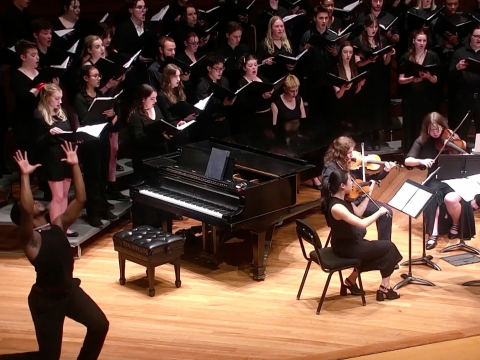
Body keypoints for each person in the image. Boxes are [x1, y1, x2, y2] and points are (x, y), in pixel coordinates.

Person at [10, 144, 109, 359]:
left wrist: (75, 166)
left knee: (100, 325)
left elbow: (80, 199)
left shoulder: (57, 225)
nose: (36, 201)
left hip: (69, 292)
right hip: (46, 301)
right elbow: (26, 209)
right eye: (32, 202)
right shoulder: (30, 239)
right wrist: (25, 176)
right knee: (49, 357)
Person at [320, 168, 402, 301]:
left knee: (377, 252)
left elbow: (358, 212)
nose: (353, 183)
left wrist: (369, 194)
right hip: (347, 248)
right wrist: (379, 212)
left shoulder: (343, 199)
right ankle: (385, 287)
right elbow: (361, 223)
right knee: (389, 248)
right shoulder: (337, 207)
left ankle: (351, 281)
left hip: (348, 243)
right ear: (342, 186)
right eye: (350, 181)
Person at [404, 112, 477, 249]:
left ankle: (455, 224)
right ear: (426, 128)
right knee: (431, 198)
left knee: (451, 199)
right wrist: (421, 160)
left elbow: (463, 156)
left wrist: (453, 148)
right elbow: (408, 160)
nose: (436, 132)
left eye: (438, 129)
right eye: (432, 129)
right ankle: (433, 234)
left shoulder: (450, 138)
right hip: (434, 178)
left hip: (454, 178)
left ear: (443, 127)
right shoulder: (422, 140)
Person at [321, 136, 396, 241]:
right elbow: (326, 185)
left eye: (352, 151)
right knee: (360, 230)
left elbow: (369, 180)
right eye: (349, 153)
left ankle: (384, 245)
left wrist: (385, 171)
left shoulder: (353, 165)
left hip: (356, 198)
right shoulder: (331, 167)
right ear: (340, 153)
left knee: (387, 213)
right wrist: (343, 182)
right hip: (342, 203)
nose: (352, 156)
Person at [72, 65, 119, 226]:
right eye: (95, 76)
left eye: (99, 75)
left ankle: (103, 207)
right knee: (93, 177)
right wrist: (101, 114)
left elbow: (110, 121)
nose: (99, 78)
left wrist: (112, 115)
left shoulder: (101, 95)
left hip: (102, 138)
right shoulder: (79, 97)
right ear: (86, 78)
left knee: (103, 174)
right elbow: (85, 118)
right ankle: (93, 212)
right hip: (89, 142)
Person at [33, 83, 78, 238]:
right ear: (47, 98)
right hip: (52, 157)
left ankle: (63, 226)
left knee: (65, 194)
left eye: (61, 98)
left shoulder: (63, 112)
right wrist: (49, 133)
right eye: (56, 98)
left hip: (65, 154)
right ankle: (56, 229)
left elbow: (68, 132)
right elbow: (36, 142)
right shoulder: (39, 115)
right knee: (57, 196)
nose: (60, 102)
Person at [353, 14, 395, 150]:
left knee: (378, 108)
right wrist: (368, 60)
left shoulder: (382, 40)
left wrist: (389, 54)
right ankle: (366, 138)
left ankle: (376, 139)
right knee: (366, 109)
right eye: (371, 27)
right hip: (365, 78)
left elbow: (386, 62)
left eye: (376, 27)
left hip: (379, 78)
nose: (374, 30)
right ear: (365, 27)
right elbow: (357, 64)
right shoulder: (358, 41)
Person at [398, 29, 440, 152]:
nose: (422, 43)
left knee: (426, 125)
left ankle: (426, 153)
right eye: (419, 40)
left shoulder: (432, 56)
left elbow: (436, 80)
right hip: (410, 98)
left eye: (424, 41)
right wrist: (412, 79)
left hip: (427, 99)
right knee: (410, 126)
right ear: (414, 41)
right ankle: (409, 154)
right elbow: (400, 80)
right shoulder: (406, 57)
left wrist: (428, 76)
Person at [128, 84, 169, 178]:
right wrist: (160, 137)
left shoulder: (156, 108)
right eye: (152, 98)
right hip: (145, 159)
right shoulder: (136, 116)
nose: (155, 101)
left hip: (161, 154)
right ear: (143, 99)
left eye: (156, 98)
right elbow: (139, 139)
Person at [448, 24, 480, 141]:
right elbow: (450, 76)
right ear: (470, 36)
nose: (479, 39)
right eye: (476, 36)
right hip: (463, 99)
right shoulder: (459, 53)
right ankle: (460, 157)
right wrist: (457, 68)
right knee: (461, 133)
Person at [233, 54, 274, 134]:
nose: (254, 67)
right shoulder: (241, 83)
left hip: (267, 116)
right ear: (244, 68)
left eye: (255, 65)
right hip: (252, 121)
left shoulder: (262, 78)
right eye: (250, 65)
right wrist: (262, 97)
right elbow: (245, 104)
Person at [332, 42, 366, 131]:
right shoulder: (336, 69)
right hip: (341, 107)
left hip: (353, 106)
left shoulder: (354, 68)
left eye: (350, 52)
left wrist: (359, 86)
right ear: (341, 53)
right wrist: (343, 88)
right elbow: (338, 95)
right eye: (345, 52)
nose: (348, 55)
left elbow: (355, 92)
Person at [257, 16, 295, 82]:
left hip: (286, 78)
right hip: (270, 78)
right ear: (271, 28)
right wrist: (264, 61)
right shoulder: (264, 44)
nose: (280, 29)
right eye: (277, 26)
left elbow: (293, 59)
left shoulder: (288, 42)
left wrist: (292, 66)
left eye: (281, 26)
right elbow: (258, 63)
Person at [218, 22, 250, 87]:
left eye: (240, 36)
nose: (238, 39)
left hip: (244, 83)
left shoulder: (245, 49)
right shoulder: (221, 52)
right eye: (235, 37)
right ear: (227, 35)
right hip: (228, 83)